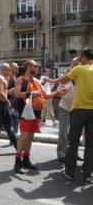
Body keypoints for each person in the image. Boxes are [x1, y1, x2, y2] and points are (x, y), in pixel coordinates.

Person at [13, 60, 67, 174]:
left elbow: (46, 95)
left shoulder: (37, 81)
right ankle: (17, 162)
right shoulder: (20, 80)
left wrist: (58, 92)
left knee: (31, 137)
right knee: (24, 136)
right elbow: (16, 93)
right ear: (28, 67)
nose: (36, 68)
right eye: (35, 66)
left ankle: (26, 159)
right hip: (26, 111)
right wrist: (30, 94)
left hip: (36, 112)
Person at [56, 48, 93, 183]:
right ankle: (88, 174)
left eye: (80, 57)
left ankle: (70, 172)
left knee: (73, 143)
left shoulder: (79, 69)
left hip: (79, 110)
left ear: (83, 57)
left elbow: (63, 80)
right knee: (90, 145)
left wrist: (72, 66)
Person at [7, 62, 19, 135]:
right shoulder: (8, 77)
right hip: (9, 105)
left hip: (13, 104)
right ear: (10, 68)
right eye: (16, 68)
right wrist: (8, 91)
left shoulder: (14, 78)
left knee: (14, 122)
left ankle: (14, 139)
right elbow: (1, 90)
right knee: (13, 122)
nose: (18, 69)